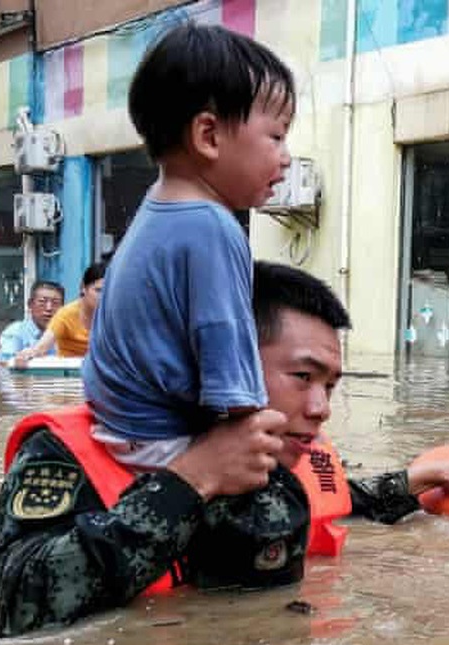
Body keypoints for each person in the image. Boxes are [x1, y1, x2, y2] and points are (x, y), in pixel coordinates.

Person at [0, 262, 449, 637]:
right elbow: (10, 604)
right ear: (221, 360)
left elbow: (340, 500)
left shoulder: (287, 453)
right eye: (303, 376)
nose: (322, 407)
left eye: (331, 384)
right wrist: (190, 481)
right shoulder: (71, 451)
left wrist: (418, 480)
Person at [81, 22, 294, 472]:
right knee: (282, 492)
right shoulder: (212, 226)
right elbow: (231, 375)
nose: (286, 156)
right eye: (276, 136)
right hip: (162, 443)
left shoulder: (156, 209)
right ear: (209, 137)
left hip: (119, 428)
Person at [14, 263, 106, 363]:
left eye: (108, 290)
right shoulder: (66, 314)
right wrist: (29, 353)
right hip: (70, 372)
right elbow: (42, 346)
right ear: (83, 288)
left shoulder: (116, 315)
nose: (103, 296)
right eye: (98, 290)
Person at [0, 281, 64, 365]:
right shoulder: (15, 332)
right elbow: (5, 365)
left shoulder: (67, 333)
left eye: (55, 303)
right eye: (42, 302)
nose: (49, 308)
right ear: (30, 305)